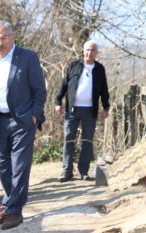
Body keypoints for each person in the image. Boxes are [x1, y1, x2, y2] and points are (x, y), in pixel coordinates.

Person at [0, 21, 46, 230]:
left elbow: (39, 90)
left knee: (19, 166)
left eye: (3, 38)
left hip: (23, 121)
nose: (0, 43)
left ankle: (14, 210)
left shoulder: (27, 57)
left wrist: (35, 115)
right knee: (3, 165)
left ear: (12, 36)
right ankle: (9, 205)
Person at [55, 40, 110, 182]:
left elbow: (104, 89)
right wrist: (58, 101)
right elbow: (64, 85)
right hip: (72, 110)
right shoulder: (74, 65)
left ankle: (84, 172)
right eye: (87, 50)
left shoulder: (99, 69)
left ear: (96, 53)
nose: (89, 53)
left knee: (87, 141)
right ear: (83, 50)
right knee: (69, 139)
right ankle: (67, 172)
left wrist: (106, 107)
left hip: (90, 111)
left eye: (92, 50)